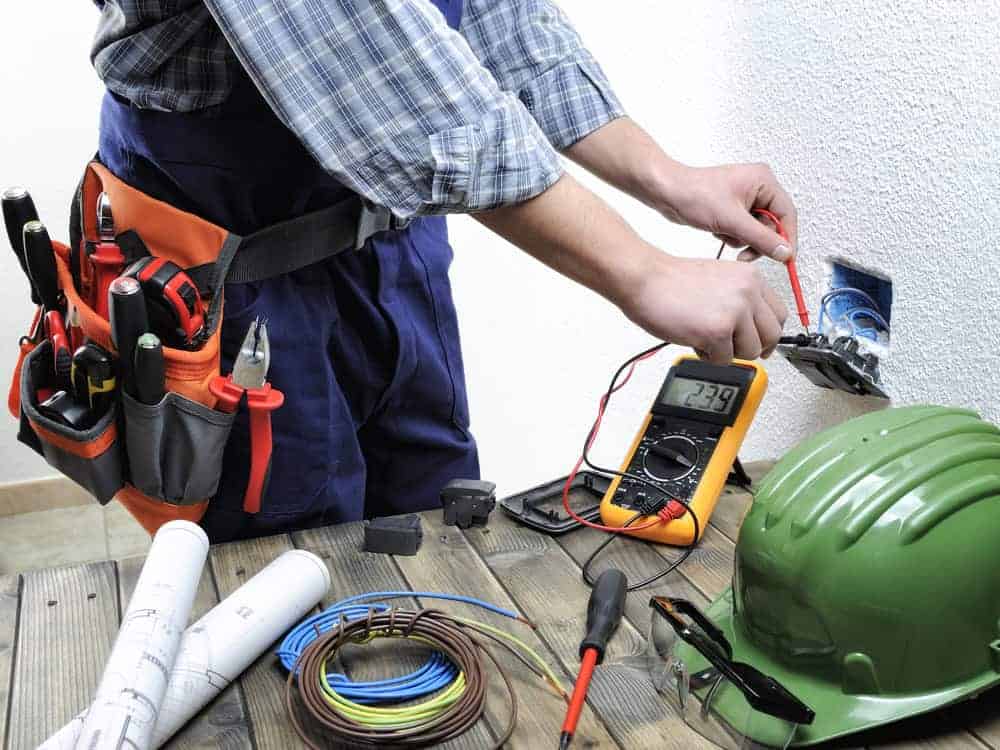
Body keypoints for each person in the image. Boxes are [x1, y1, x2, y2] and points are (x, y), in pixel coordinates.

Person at [89, 0, 794, 542]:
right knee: (288, 567)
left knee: (435, 519)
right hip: (230, 285)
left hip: (387, 247)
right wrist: (646, 274)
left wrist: (670, 182)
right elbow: (395, 89)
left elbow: (501, 22)